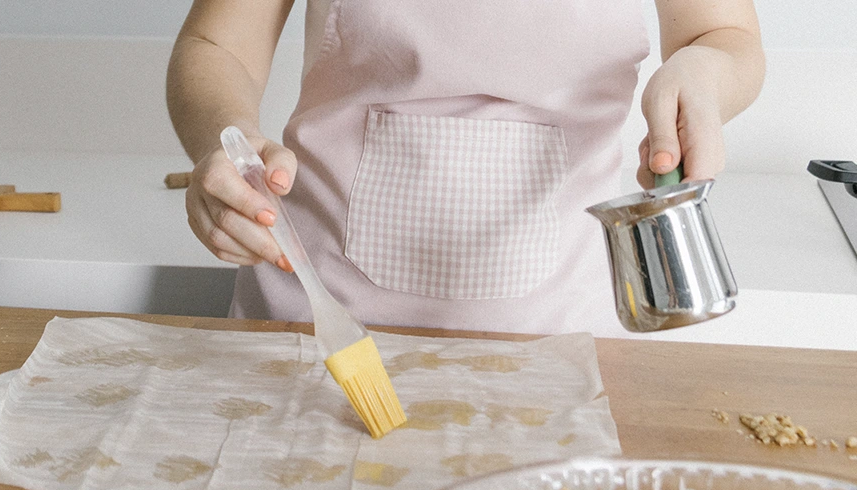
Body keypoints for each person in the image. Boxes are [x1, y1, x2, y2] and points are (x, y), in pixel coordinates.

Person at [166, 0, 764, 336]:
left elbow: (724, 33)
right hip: (316, 323)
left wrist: (704, 72)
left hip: (566, 334)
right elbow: (219, 44)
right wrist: (227, 138)